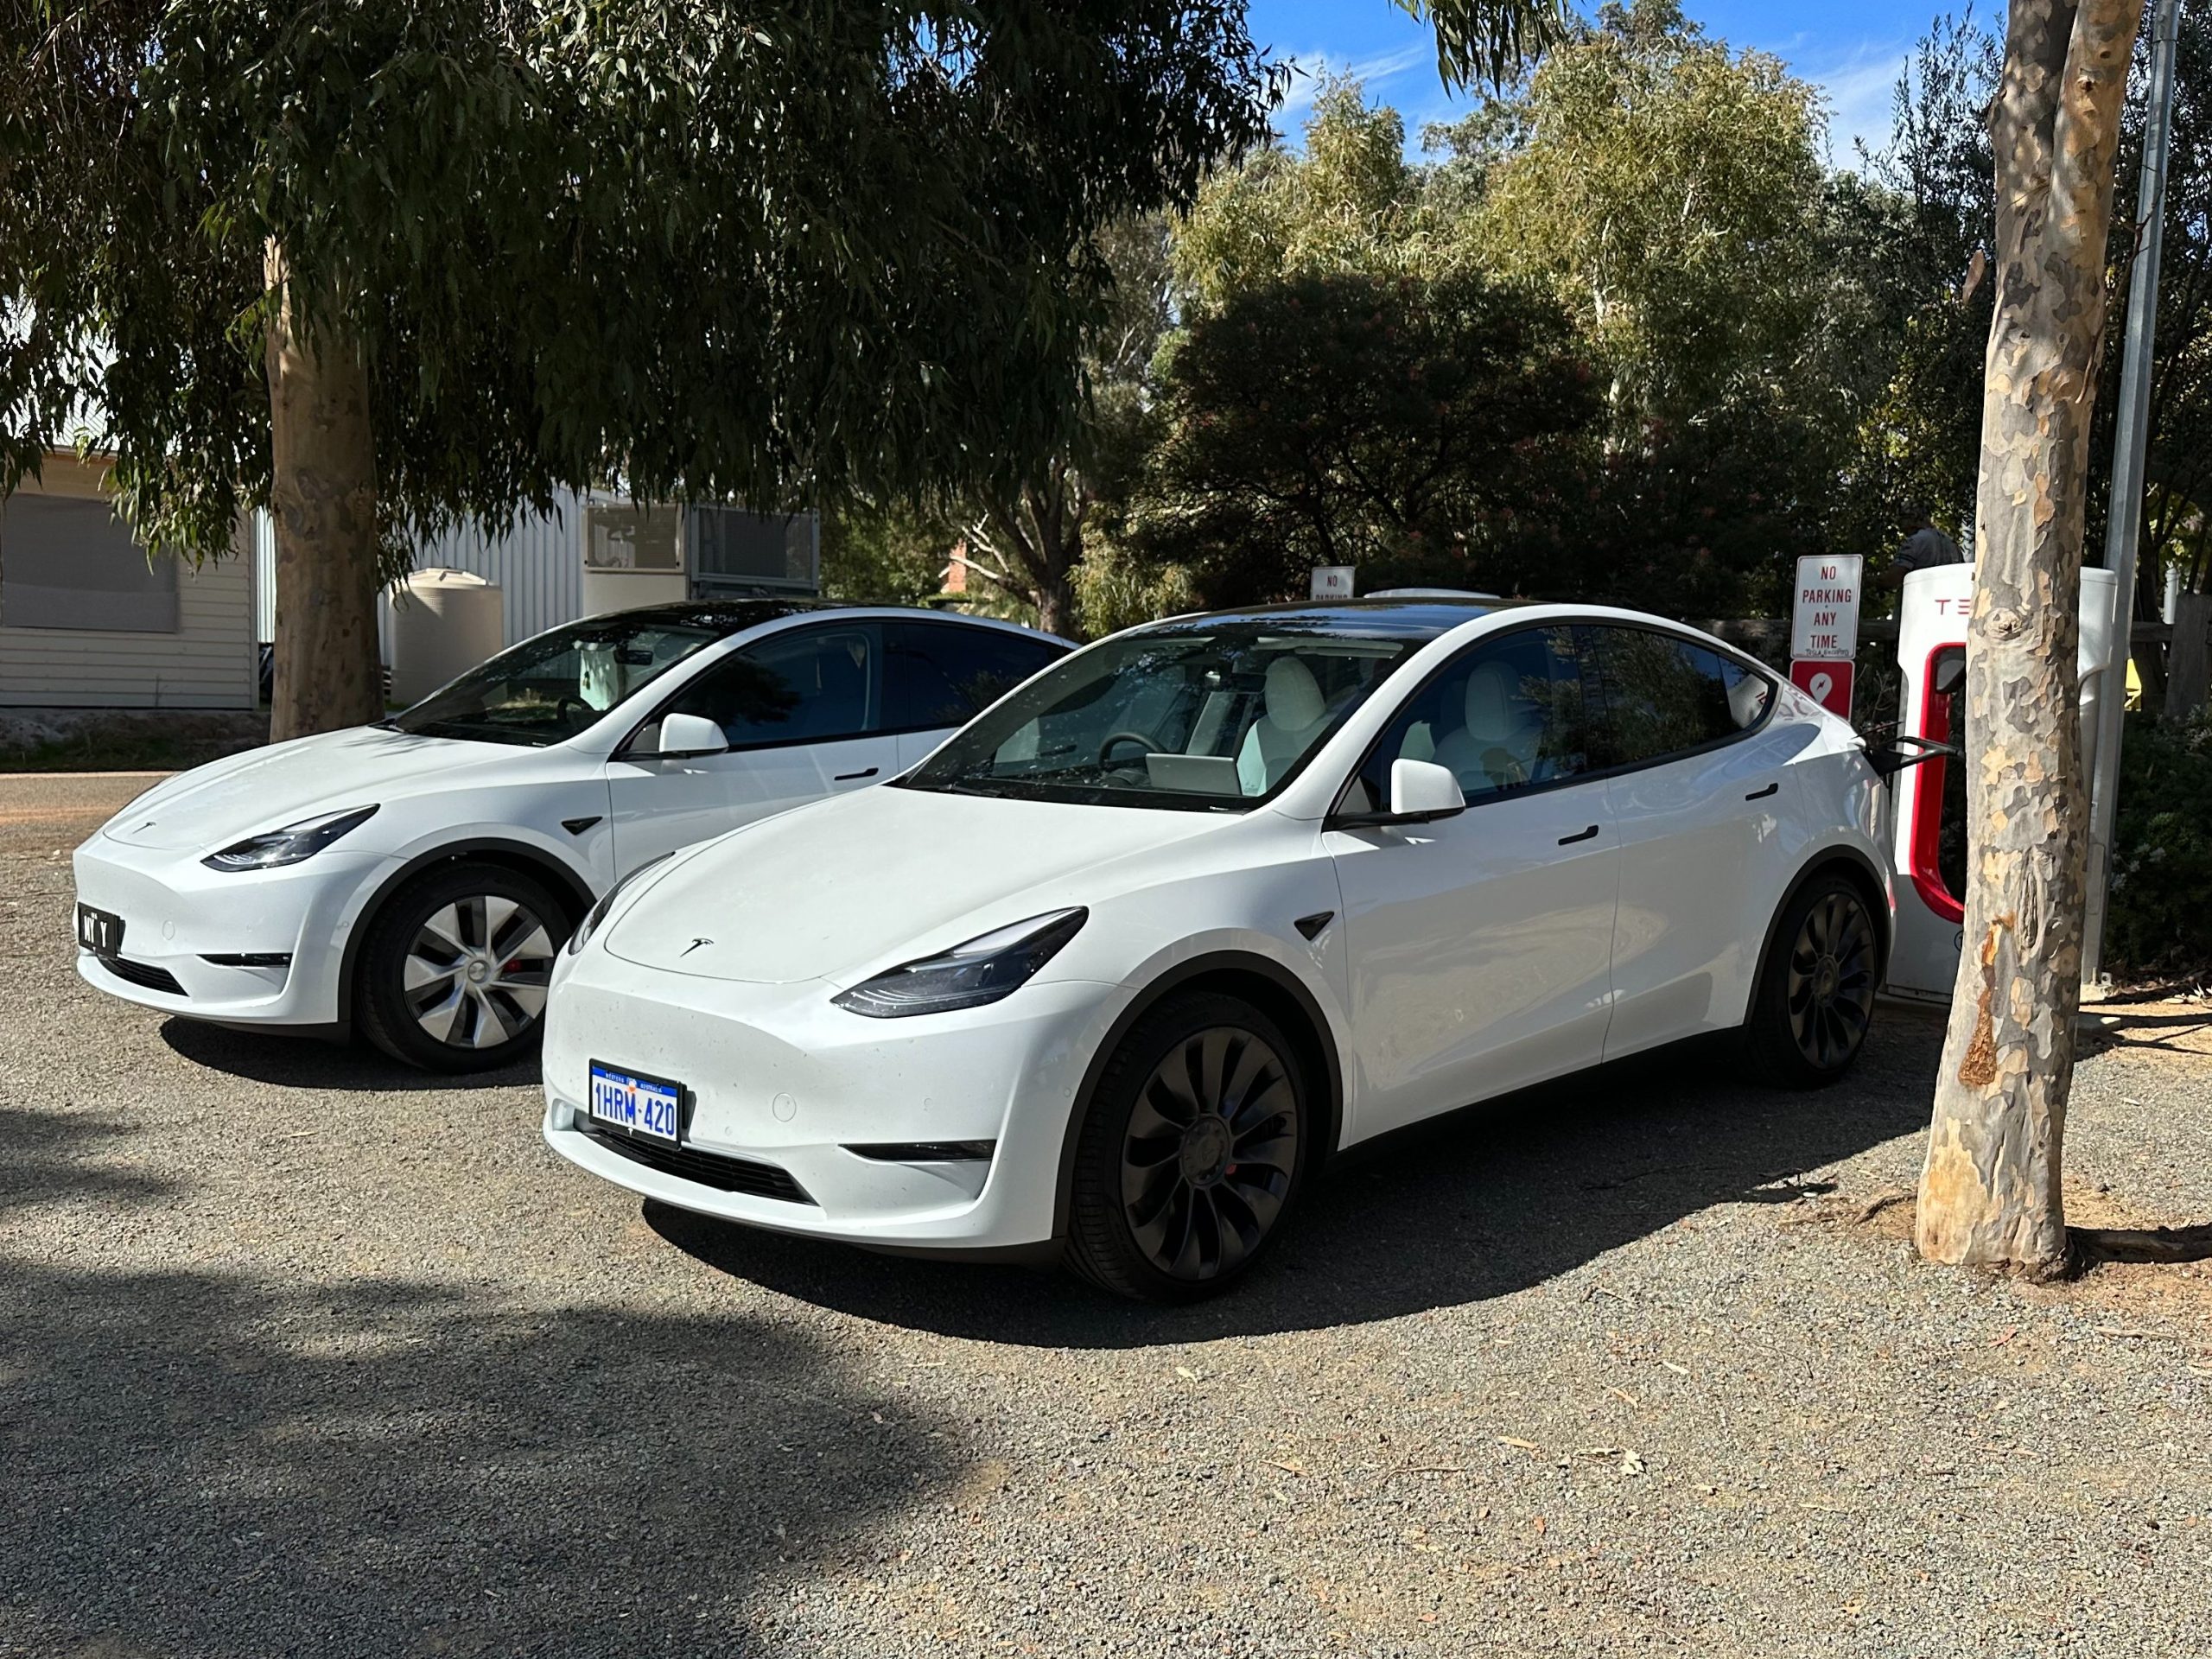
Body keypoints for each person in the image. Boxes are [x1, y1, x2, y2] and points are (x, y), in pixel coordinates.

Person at [1874, 504, 1964, 592]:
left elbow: (1893, 578)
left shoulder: (1915, 542)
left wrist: (1873, 582)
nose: (1901, 527)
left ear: (1912, 518)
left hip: (1920, 599)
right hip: (1947, 600)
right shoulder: (1951, 543)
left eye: (1902, 520)